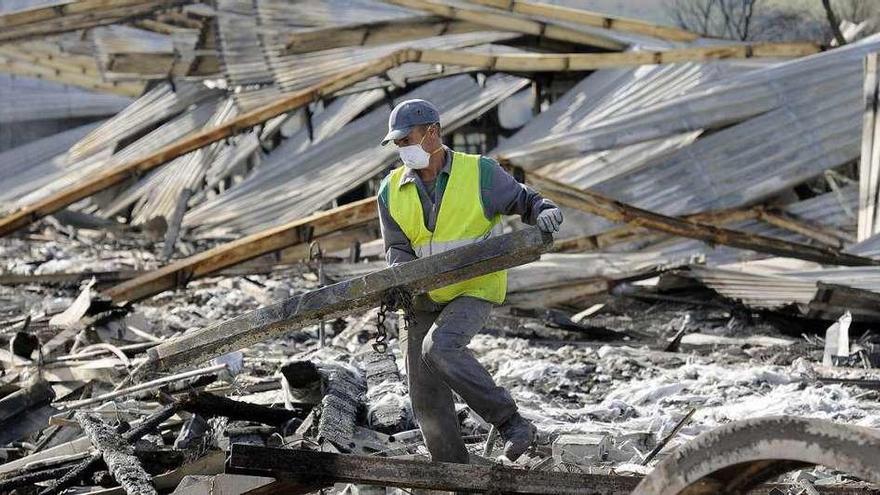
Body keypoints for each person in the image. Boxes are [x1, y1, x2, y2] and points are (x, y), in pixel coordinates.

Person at [376, 99, 564, 464]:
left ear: (432, 132)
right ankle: (454, 474)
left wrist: (544, 210)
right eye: (397, 143)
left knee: (440, 349)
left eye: (405, 140)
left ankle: (511, 423)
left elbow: (524, 201)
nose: (401, 149)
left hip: (473, 287)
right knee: (426, 397)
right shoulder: (389, 190)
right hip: (422, 299)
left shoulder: (480, 173)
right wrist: (402, 278)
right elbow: (396, 248)